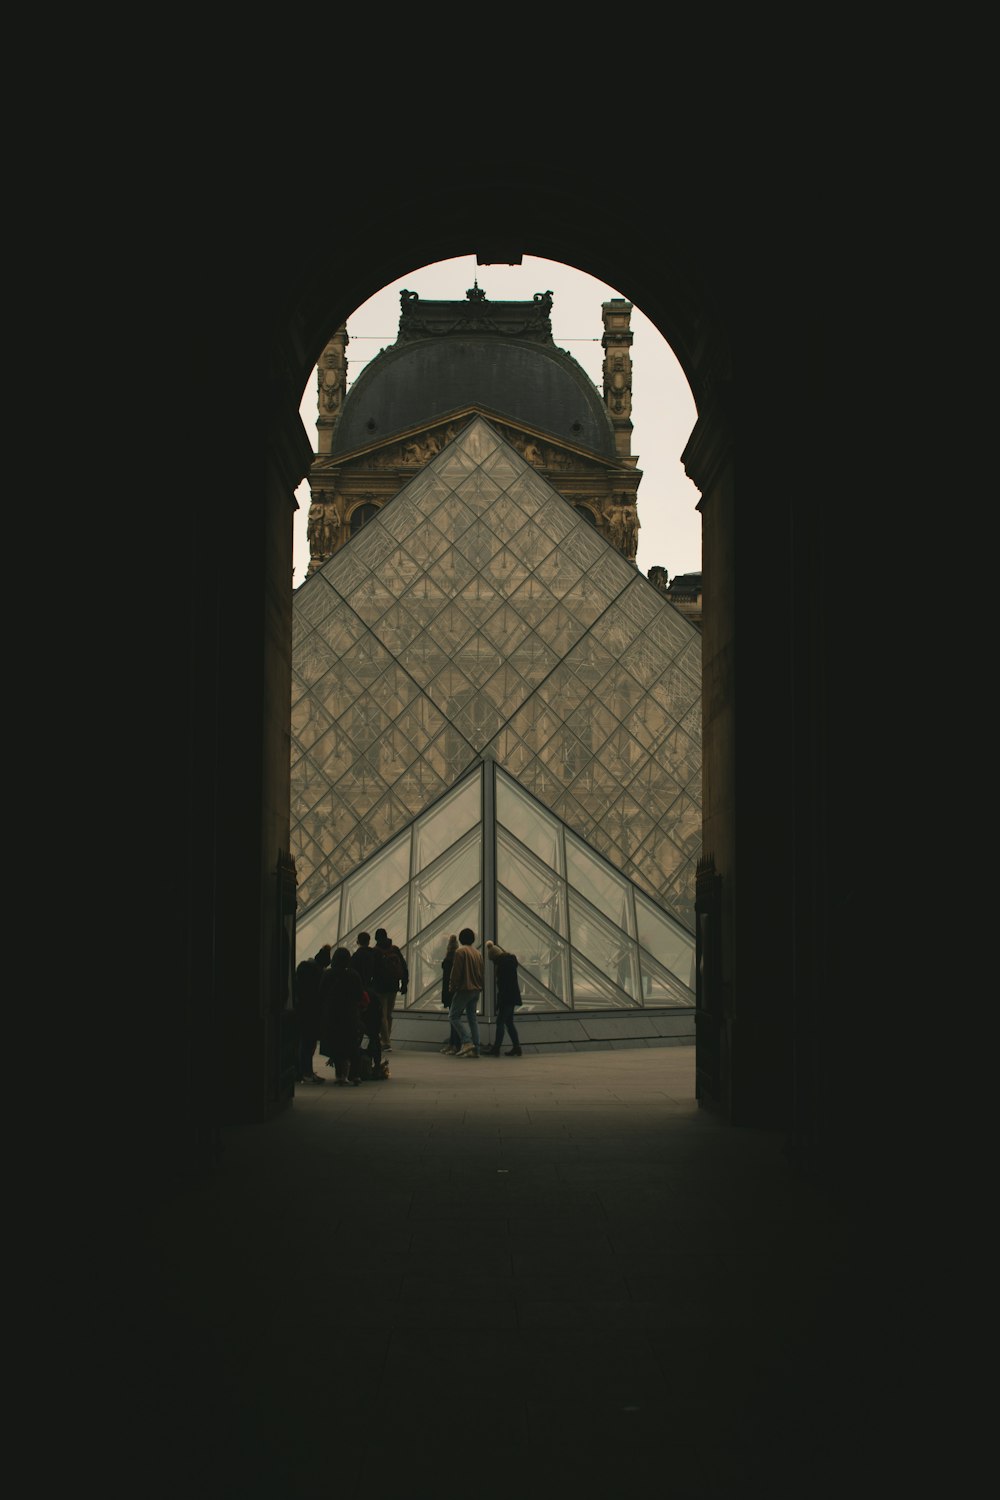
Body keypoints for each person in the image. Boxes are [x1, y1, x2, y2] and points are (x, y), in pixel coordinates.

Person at [318, 947, 366, 1085]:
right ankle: (355, 1075)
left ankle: (340, 1076)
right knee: (351, 1044)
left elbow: (321, 993)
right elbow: (359, 995)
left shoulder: (328, 974)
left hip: (332, 1013)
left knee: (337, 1044)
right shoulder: (353, 975)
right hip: (349, 1014)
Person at [293, 943, 332, 1083]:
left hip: (300, 1010)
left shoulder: (304, 968)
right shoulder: (318, 973)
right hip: (313, 1013)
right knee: (309, 1044)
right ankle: (307, 1072)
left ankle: (300, 1071)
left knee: (301, 1042)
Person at [351, 931, 384, 1080]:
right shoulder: (376, 955)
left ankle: (356, 1066)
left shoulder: (356, 957)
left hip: (360, 997)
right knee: (374, 1035)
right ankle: (376, 1064)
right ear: (369, 941)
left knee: (357, 1033)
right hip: (374, 995)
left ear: (358, 941)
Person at [447, 928, 484, 1058]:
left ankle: (467, 1041)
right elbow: (481, 972)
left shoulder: (460, 951)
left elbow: (456, 972)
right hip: (476, 989)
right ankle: (476, 1048)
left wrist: (452, 986)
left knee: (453, 1016)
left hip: (464, 989)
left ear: (461, 938)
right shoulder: (477, 953)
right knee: (472, 1018)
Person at [483, 940, 523, 1056]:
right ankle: (516, 1047)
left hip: (507, 998)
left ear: (495, 958)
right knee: (509, 1022)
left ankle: (496, 1048)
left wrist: (499, 1002)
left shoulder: (502, 966)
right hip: (512, 996)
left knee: (500, 1021)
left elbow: (503, 987)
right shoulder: (510, 962)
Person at [373, 928, 408, 1051]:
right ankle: (387, 1038)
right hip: (394, 985)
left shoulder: (376, 951)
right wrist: (404, 984)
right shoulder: (394, 949)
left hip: (380, 987)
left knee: (381, 1014)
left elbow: (373, 971)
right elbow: (404, 966)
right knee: (388, 1014)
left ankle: (386, 1041)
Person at [439, 934, 461, 1054]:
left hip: (448, 992)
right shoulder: (458, 959)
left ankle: (454, 1044)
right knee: (454, 1019)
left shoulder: (448, 960)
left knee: (453, 1019)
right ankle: (454, 1044)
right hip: (455, 992)